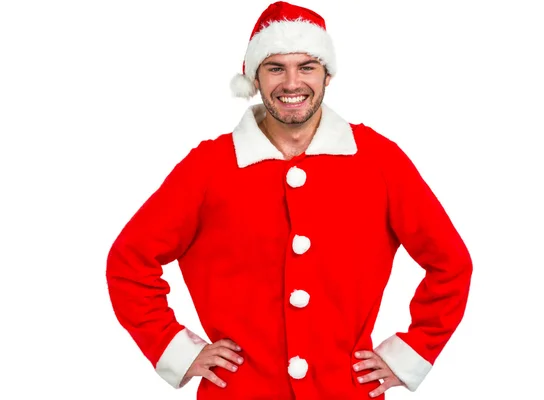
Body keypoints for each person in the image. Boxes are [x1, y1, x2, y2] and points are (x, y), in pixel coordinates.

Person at [105, 1, 473, 399]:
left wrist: (410, 354)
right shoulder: (209, 167)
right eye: (276, 68)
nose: (292, 83)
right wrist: (177, 350)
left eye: (307, 67)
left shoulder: (379, 161)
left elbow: (450, 264)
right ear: (254, 77)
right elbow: (129, 261)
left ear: (327, 75)